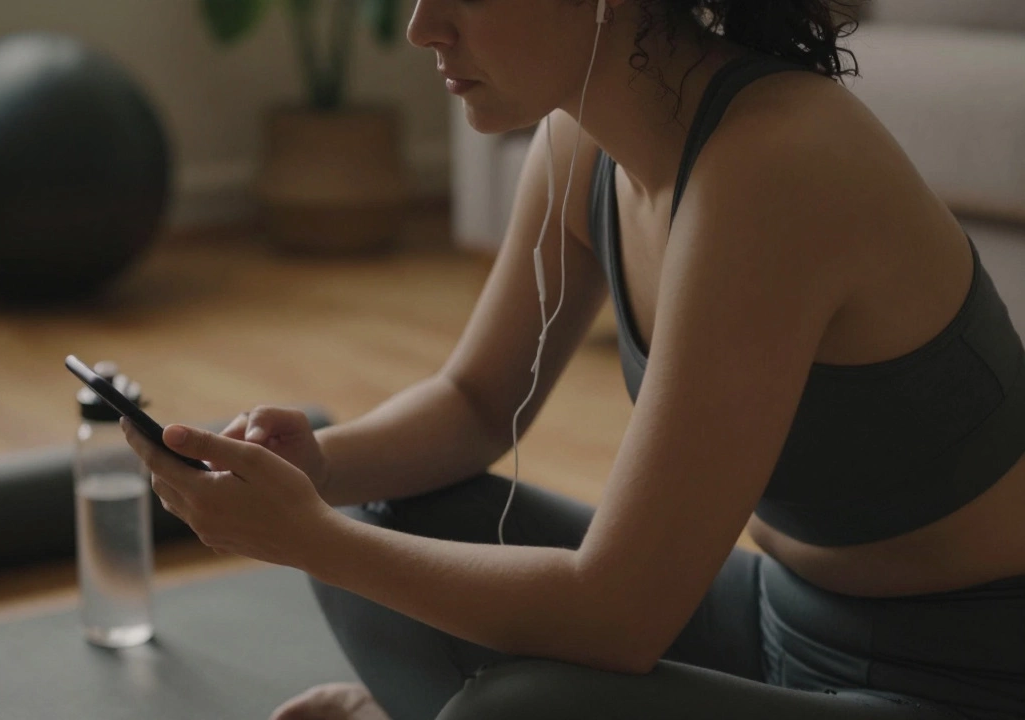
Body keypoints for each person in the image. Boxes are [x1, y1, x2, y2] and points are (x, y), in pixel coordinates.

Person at [121, 1, 1025, 718]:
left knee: (516, 709)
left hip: (950, 687)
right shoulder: (580, 142)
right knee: (385, 502)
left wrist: (310, 536)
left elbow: (620, 616)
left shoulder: (774, 166)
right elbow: (476, 403)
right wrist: (312, 471)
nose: (421, 27)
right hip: (773, 621)